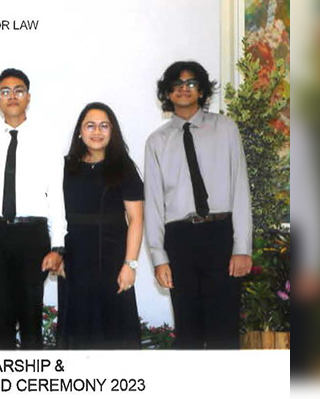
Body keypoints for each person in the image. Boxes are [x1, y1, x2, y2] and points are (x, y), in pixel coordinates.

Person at [145, 61, 253, 349]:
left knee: (224, 331)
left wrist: (242, 247)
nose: (184, 88)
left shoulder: (226, 128)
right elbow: (153, 203)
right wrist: (158, 257)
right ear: (167, 92)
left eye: (191, 83)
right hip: (179, 239)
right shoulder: (156, 142)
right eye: (177, 84)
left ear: (202, 91)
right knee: (188, 332)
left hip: (220, 235)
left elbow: (240, 189)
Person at [0, 68, 66, 349]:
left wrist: (57, 247)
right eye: (5, 92)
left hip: (32, 235)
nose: (12, 96)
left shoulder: (47, 139)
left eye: (18, 91)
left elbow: (57, 196)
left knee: (30, 319)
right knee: (1, 320)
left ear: (28, 97)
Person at [58, 102, 144, 349]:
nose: (97, 132)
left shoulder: (124, 167)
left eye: (104, 126)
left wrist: (130, 265)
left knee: (116, 332)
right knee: (77, 332)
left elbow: (136, 219)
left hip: (113, 262)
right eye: (90, 126)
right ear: (80, 131)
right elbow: (54, 214)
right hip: (74, 262)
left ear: (112, 131)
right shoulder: (64, 167)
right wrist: (57, 254)